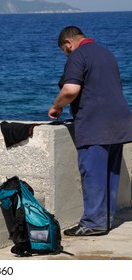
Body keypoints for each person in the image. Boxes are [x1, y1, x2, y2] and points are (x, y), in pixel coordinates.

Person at [48, 26, 132, 236]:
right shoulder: (106, 53)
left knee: (93, 173)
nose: (67, 54)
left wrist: (56, 106)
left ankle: (93, 223)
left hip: (95, 123)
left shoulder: (78, 55)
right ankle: (106, 220)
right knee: (110, 174)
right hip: (119, 121)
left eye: (65, 51)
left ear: (68, 43)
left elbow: (70, 90)